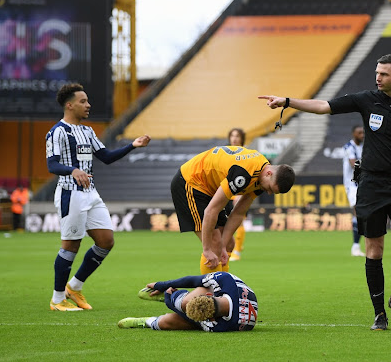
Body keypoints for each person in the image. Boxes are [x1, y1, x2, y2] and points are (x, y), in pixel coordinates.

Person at [259, 54, 391, 331]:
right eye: (377, 72)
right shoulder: (367, 99)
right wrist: (287, 101)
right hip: (371, 185)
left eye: (384, 74)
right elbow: (323, 106)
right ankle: (379, 313)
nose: (378, 77)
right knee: (374, 251)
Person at [46, 83, 151, 311]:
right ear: (69, 105)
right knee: (70, 246)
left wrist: (132, 145)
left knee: (106, 241)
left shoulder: (88, 131)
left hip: (91, 193)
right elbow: (52, 163)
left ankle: (74, 286)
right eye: (83, 101)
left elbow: (106, 156)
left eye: (87, 101)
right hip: (69, 192)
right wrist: (73, 170)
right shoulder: (58, 132)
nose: (88, 105)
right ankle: (57, 299)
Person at [172, 144, 295, 274]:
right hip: (190, 182)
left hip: (210, 188)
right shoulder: (244, 174)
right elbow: (211, 210)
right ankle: (209, 293)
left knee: (228, 243)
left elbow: (238, 213)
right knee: (214, 245)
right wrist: (207, 249)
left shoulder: (261, 176)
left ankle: (222, 288)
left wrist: (223, 246)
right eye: (270, 188)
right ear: (269, 173)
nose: (268, 193)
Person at [117, 271, 257, 332]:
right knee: (186, 303)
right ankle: (179, 296)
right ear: (209, 294)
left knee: (168, 321)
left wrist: (168, 300)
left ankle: (146, 321)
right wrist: (164, 284)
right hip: (235, 298)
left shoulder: (218, 327)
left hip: (229, 312)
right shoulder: (225, 280)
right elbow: (193, 280)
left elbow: (190, 316)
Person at [226, 127, 250, 262]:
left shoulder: (246, 153)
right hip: (227, 191)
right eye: (232, 135)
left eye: (237, 136)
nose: (234, 138)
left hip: (240, 192)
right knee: (226, 222)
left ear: (242, 139)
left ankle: (237, 251)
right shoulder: (226, 152)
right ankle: (233, 247)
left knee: (238, 222)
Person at [343, 125, 366, 257]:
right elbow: (354, 164)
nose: (362, 135)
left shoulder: (364, 147)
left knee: (362, 213)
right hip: (352, 184)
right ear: (353, 134)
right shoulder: (348, 147)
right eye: (359, 133)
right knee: (357, 210)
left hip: (363, 183)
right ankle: (355, 246)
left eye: (363, 132)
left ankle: (358, 245)